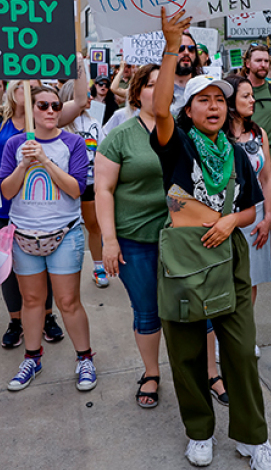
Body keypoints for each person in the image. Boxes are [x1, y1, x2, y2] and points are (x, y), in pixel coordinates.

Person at [150, 8, 271, 469]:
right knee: (185, 354)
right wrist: (171, 47)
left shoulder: (237, 154)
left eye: (219, 100)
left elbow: (251, 206)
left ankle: (252, 437)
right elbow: (159, 107)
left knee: (242, 352)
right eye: (202, 100)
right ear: (188, 110)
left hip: (229, 258)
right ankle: (199, 433)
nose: (213, 106)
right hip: (184, 262)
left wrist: (232, 222)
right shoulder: (176, 145)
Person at [0, 85, 97, 392]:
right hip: (24, 235)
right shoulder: (15, 144)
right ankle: (32, 357)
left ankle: (84, 358)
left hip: (64, 233)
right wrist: (25, 163)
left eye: (56, 105)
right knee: (31, 301)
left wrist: (45, 160)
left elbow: (76, 189)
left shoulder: (73, 143)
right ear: (31, 109)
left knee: (68, 301)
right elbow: (6, 191)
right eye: (43, 105)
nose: (51, 111)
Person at [95, 63, 168, 407]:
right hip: (135, 242)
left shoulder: (184, 130)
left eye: (163, 84)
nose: (158, 90)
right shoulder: (120, 135)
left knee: (196, 311)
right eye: (150, 85)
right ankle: (151, 373)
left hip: (180, 240)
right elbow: (104, 191)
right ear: (137, 93)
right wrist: (109, 241)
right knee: (147, 311)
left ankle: (208, 372)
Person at [224, 74, 271, 335]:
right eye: (245, 95)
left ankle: (244, 333)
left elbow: (267, 178)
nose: (252, 100)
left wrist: (268, 217)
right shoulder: (215, 134)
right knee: (224, 279)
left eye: (252, 95)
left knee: (250, 281)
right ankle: (222, 335)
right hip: (223, 217)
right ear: (230, 99)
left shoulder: (259, 134)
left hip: (255, 218)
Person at [59, 79, 108, 287]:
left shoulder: (94, 122)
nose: (89, 97)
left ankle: (98, 266)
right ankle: (64, 271)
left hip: (90, 184)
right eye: (85, 94)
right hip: (65, 186)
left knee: (94, 226)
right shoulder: (59, 124)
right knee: (66, 229)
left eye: (89, 93)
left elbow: (103, 151)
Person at [241, 45, 271, 141]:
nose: (263, 65)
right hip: (243, 151)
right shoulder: (237, 89)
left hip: (268, 151)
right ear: (248, 64)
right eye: (258, 61)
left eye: (266, 61)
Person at [171, 32, 202, 116]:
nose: (186, 53)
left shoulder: (203, 87)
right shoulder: (158, 87)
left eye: (191, 49)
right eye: (180, 48)